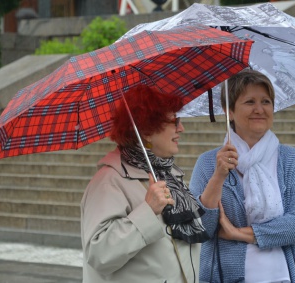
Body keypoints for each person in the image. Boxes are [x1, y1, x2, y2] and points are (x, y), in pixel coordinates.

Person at [189, 69, 295, 283]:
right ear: (229, 111)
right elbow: (200, 228)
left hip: (280, 276)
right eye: (249, 102)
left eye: (266, 101)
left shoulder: (291, 159)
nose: (259, 109)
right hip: (223, 277)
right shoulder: (208, 162)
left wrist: (238, 234)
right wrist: (218, 176)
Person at [80, 85, 209, 283]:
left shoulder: (169, 174)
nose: (181, 128)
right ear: (147, 131)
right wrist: (148, 211)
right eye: (174, 121)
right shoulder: (108, 181)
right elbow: (99, 254)